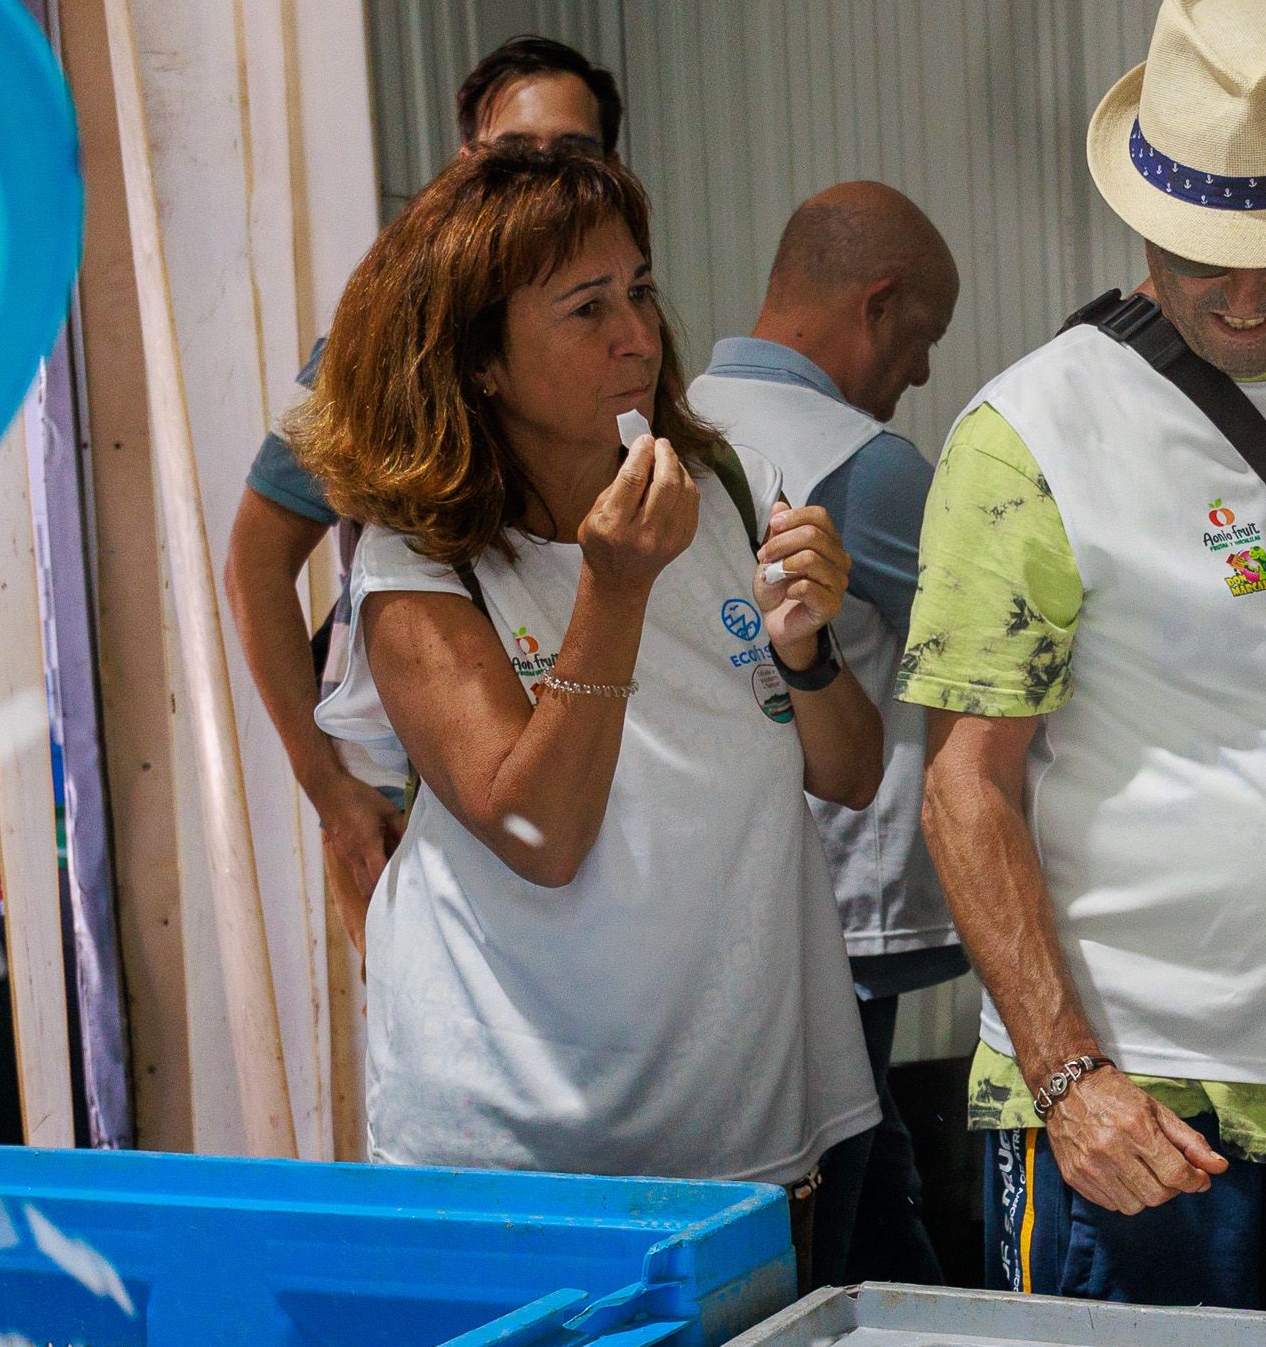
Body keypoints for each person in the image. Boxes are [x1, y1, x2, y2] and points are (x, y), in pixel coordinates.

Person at [903, 0, 1266, 1319]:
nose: (1238, 290)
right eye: (1197, 247)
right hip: (1140, 1106)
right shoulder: (1032, 430)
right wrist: (1066, 1078)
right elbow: (962, 785)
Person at [275, 138, 883, 1236]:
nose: (638, 335)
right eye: (586, 307)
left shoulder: (711, 489)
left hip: (753, 1118)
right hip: (525, 1149)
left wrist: (807, 648)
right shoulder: (416, 567)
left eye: (641, 291)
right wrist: (614, 589)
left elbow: (848, 772)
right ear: (479, 364)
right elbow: (538, 830)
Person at [223, 36, 629, 947]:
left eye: (575, 156)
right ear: (466, 167)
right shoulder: (375, 348)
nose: (545, 183)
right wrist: (332, 795)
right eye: (516, 157)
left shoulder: (619, 337)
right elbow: (255, 565)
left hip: (595, 775)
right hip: (434, 800)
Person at [687, 184, 965, 1282]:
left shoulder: (676, 429)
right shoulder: (860, 463)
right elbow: (997, 649)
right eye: (923, 338)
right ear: (877, 304)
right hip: (843, 906)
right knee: (848, 1196)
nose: (924, 374)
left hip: (714, 899)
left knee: (850, 1183)